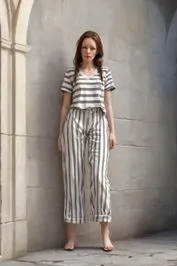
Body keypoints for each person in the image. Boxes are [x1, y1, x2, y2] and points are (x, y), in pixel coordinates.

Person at [57, 30, 117, 252]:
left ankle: (105, 235)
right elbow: (64, 105)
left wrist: (113, 131)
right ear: (79, 50)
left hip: (99, 122)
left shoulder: (104, 73)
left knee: (100, 177)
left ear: (98, 50)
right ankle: (71, 237)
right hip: (75, 120)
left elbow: (108, 104)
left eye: (92, 48)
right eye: (84, 47)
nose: (88, 51)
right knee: (72, 176)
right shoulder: (71, 73)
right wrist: (60, 133)